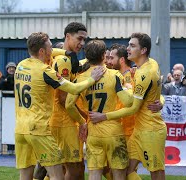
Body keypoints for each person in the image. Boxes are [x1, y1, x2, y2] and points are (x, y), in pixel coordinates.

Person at [14, 32, 104, 180]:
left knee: (25, 175)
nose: (53, 51)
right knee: (57, 175)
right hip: (38, 129)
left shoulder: (21, 66)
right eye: (50, 47)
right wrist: (92, 79)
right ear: (42, 51)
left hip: (20, 130)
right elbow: (73, 89)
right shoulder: (45, 71)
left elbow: (43, 51)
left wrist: (68, 53)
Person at [89, 33, 167, 180]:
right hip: (137, 131)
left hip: (150, 131)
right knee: (122, 171)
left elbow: (133, 108)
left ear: (143, 50)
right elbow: (155, 92)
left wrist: (103, 116)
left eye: (132, 46)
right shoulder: (150, 65)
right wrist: (161, 101)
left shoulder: (144, 73)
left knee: (156, 172)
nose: (128, 48)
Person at [66, 40, 133, 180]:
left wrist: (82, 122)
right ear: (104, 55)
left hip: (93, 132)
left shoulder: (80, 79)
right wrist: (130, 89)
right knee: (119, 174)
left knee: (94, 174)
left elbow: (68, 105)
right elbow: (128, 102)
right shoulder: (114, 75)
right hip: (114, 131)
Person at [49, 22, 88, 180]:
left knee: (74, 167)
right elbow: (64, 98)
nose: (82, 43)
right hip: (63, 120)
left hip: (64, 119)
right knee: (74, 168)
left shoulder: (68, 58)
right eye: (79, 38)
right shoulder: (64, 60)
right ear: (67, 36)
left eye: (85, 40)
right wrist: (85, 117)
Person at [0, 61, 17, 154]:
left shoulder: (19, 77)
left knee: (16, 125)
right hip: (6, 105)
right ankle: (9, 148)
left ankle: (15, 147)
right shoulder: (3, 78)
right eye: (10, 68)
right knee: (7, 125)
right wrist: (5, 81)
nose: (11, 69)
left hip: (16, 104)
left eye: (13, 68)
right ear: (7, 69)